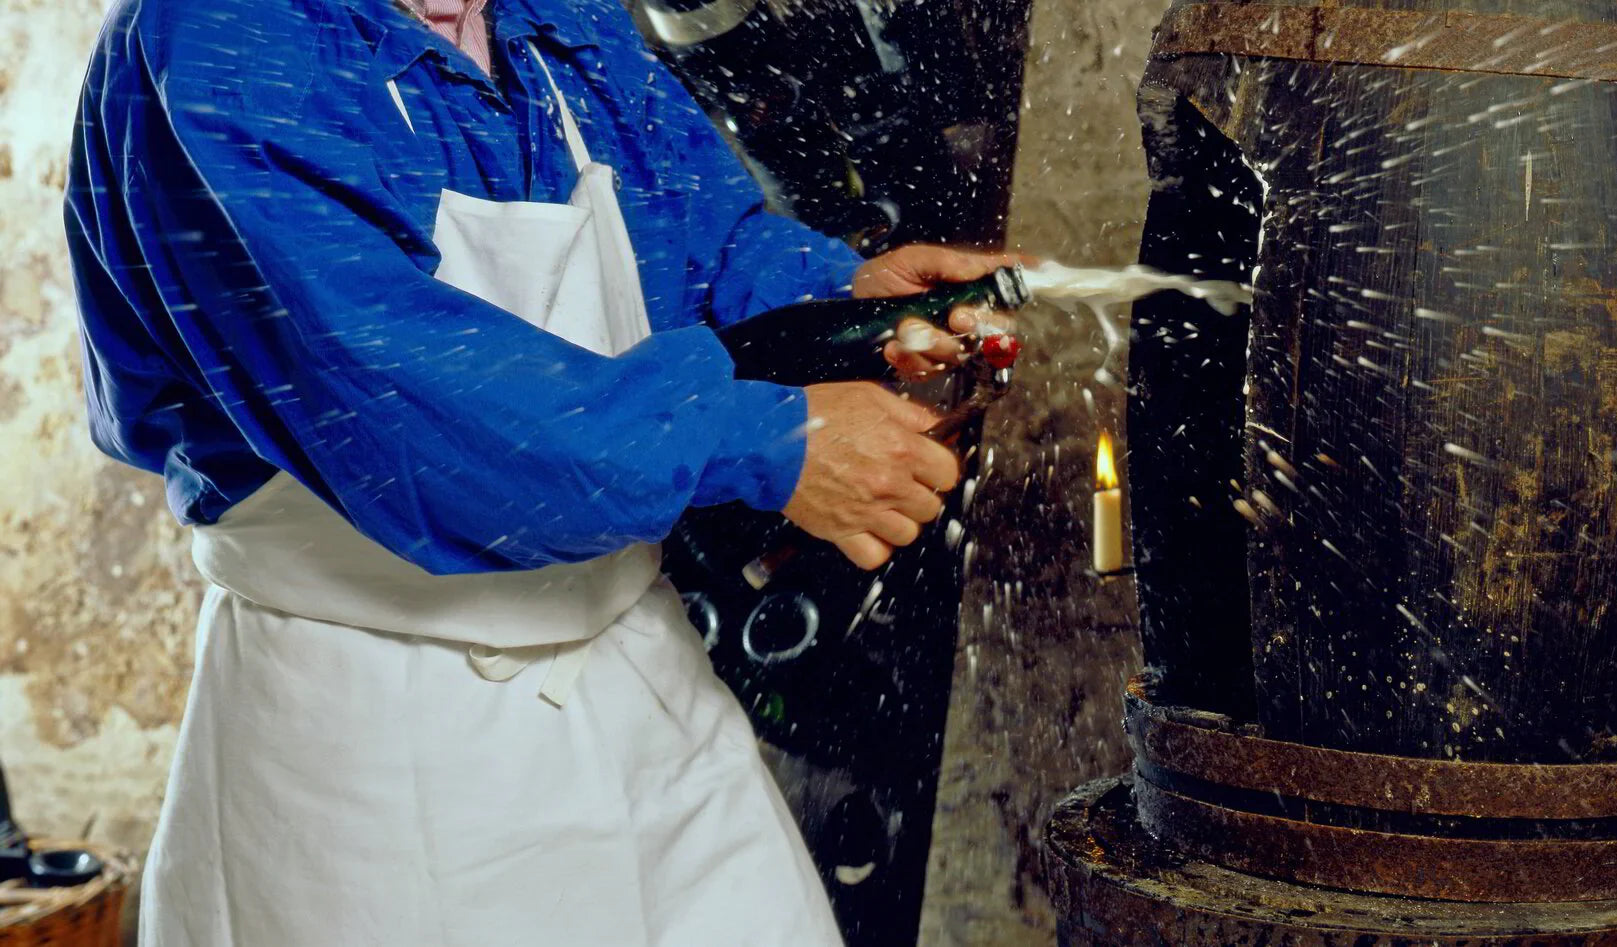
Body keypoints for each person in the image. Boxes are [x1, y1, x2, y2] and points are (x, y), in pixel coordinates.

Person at [64, 0, 1011, 943]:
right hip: (381, 723)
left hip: (635, 664)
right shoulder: (218, 35)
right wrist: (766, 439)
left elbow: (691, 231)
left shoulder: (546, 10)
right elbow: (402, 407)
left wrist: (834, 296)